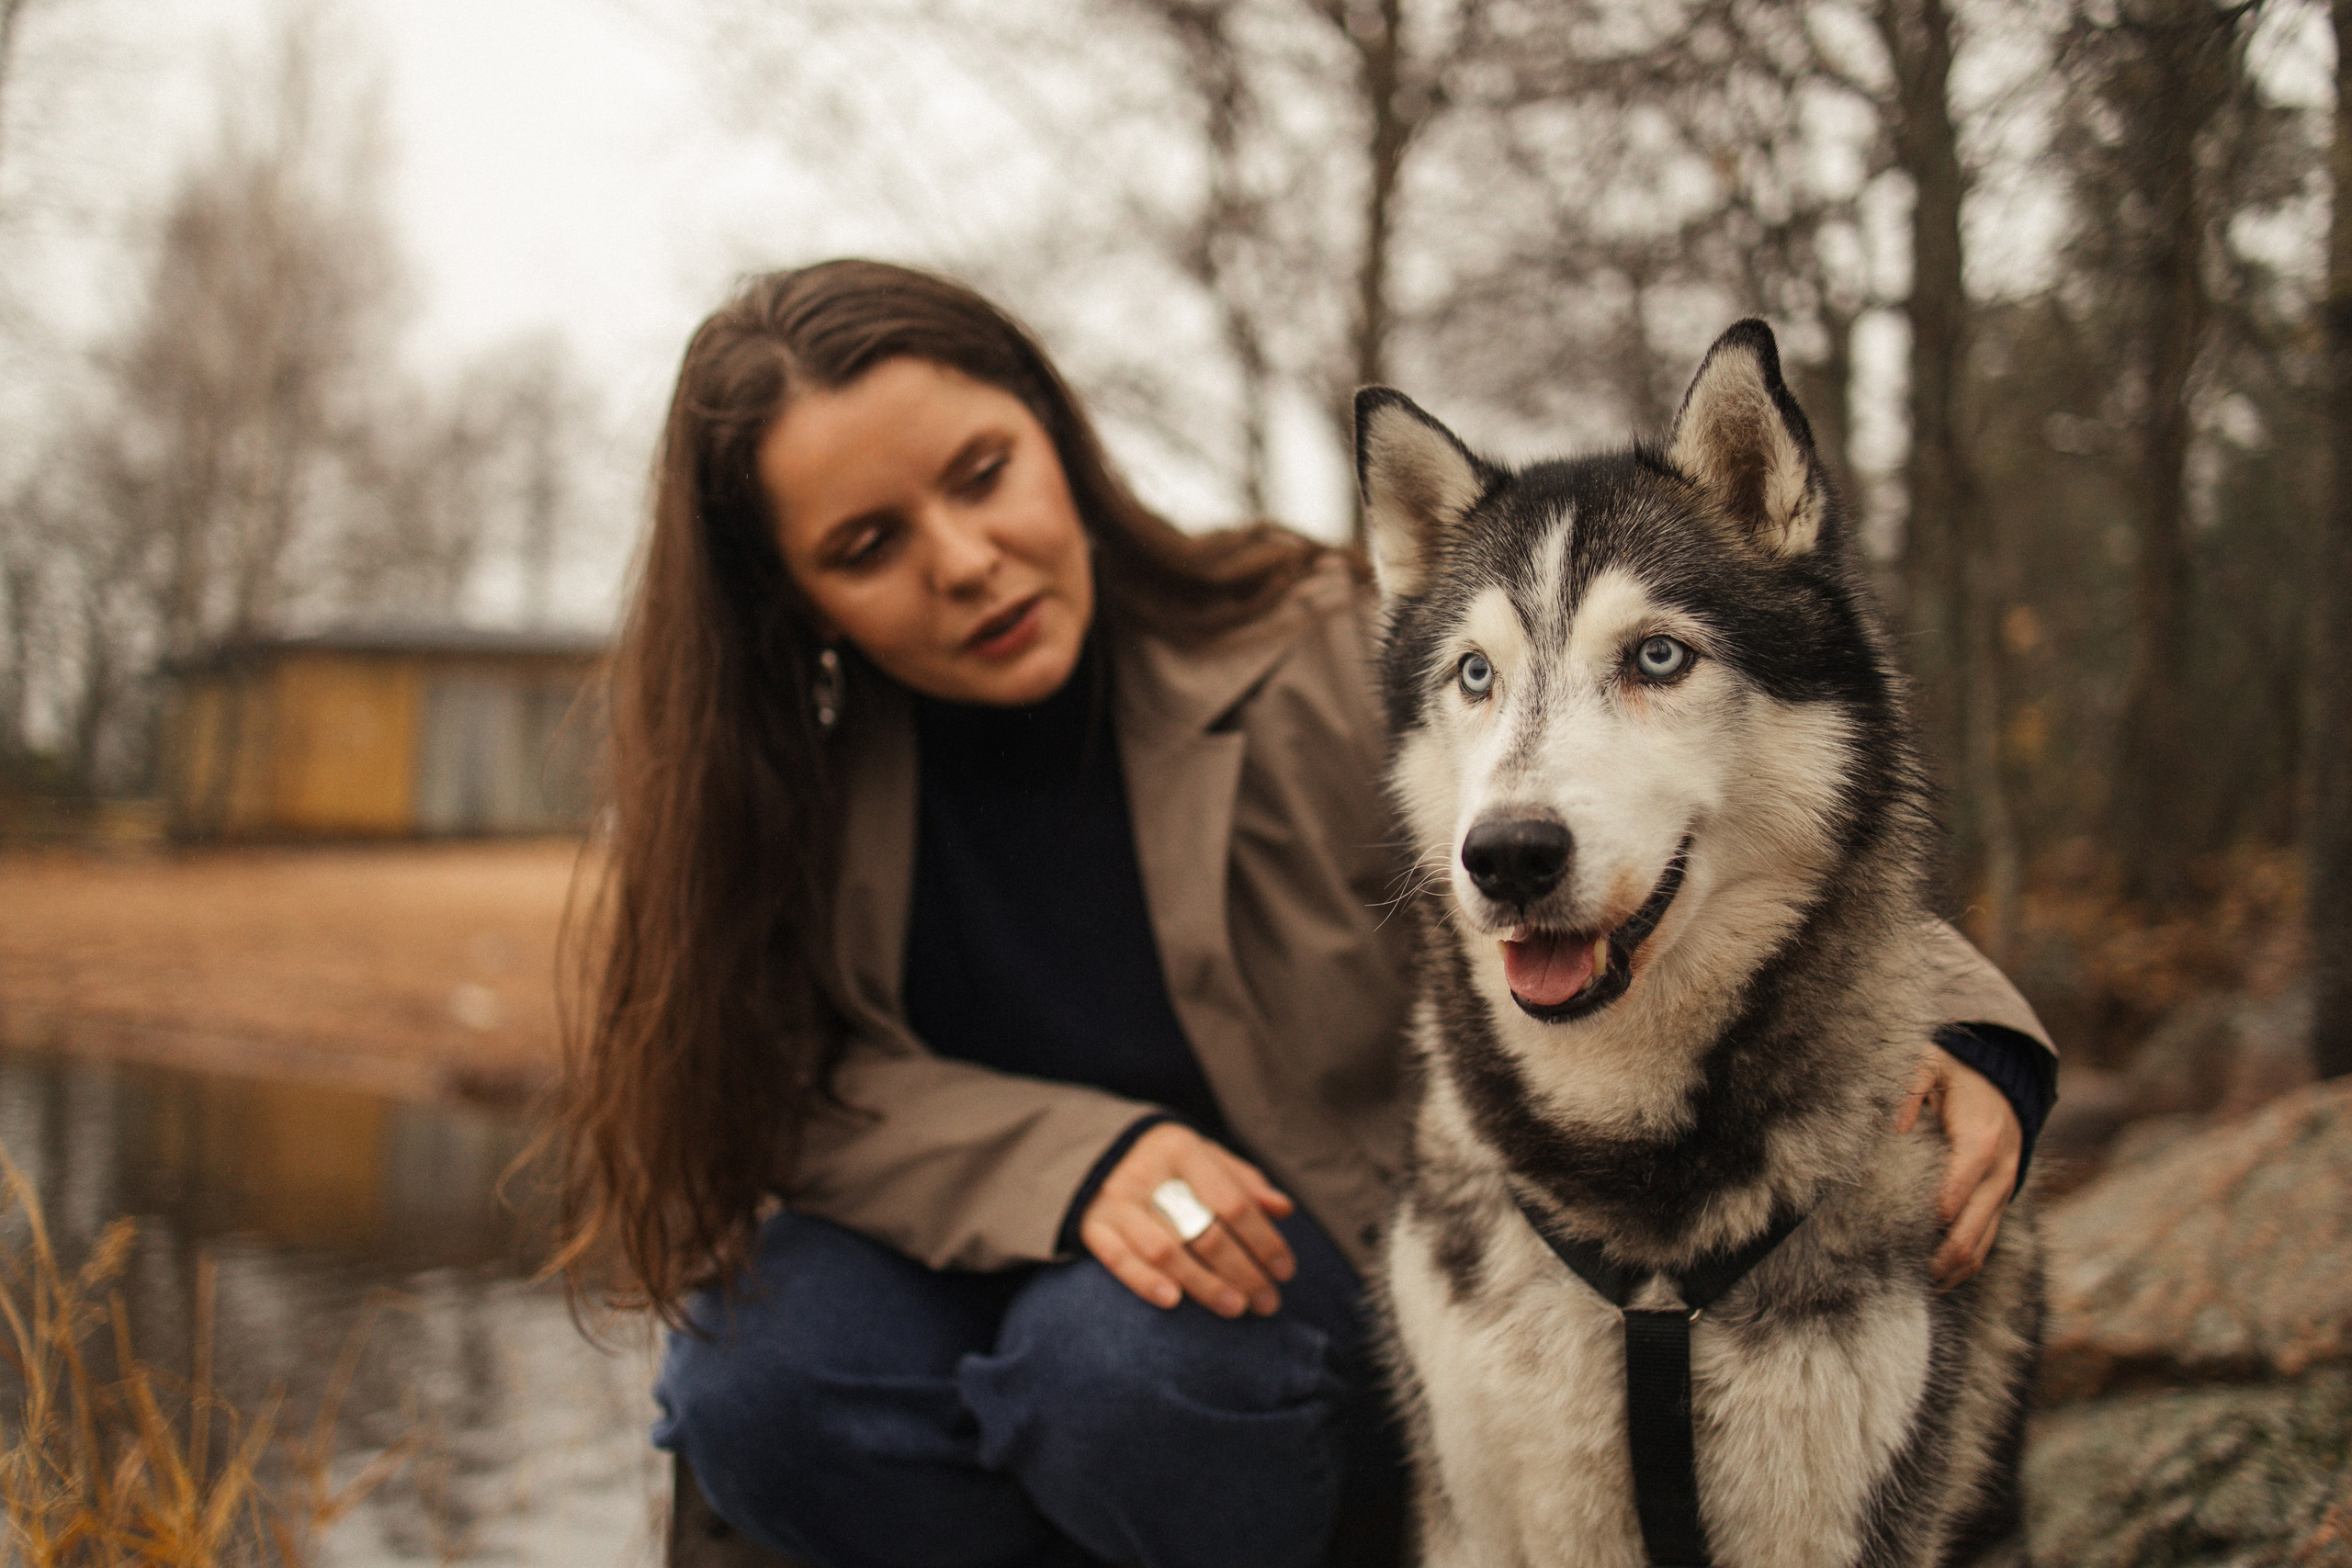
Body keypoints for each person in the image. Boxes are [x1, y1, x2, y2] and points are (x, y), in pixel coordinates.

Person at [552, 260, 2057, 1568]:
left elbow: (1687, 825)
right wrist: (1077, 1164)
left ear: (1055, 439)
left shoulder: (1323, 653)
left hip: (1250, 1315)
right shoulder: (774, 791)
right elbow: (756, 1090)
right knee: (751, 1379)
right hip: (949, 1278)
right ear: (794, 597)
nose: (964, 559)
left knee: (1124, 1372)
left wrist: (1970, 1025)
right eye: (867, 546)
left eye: (979, 472)